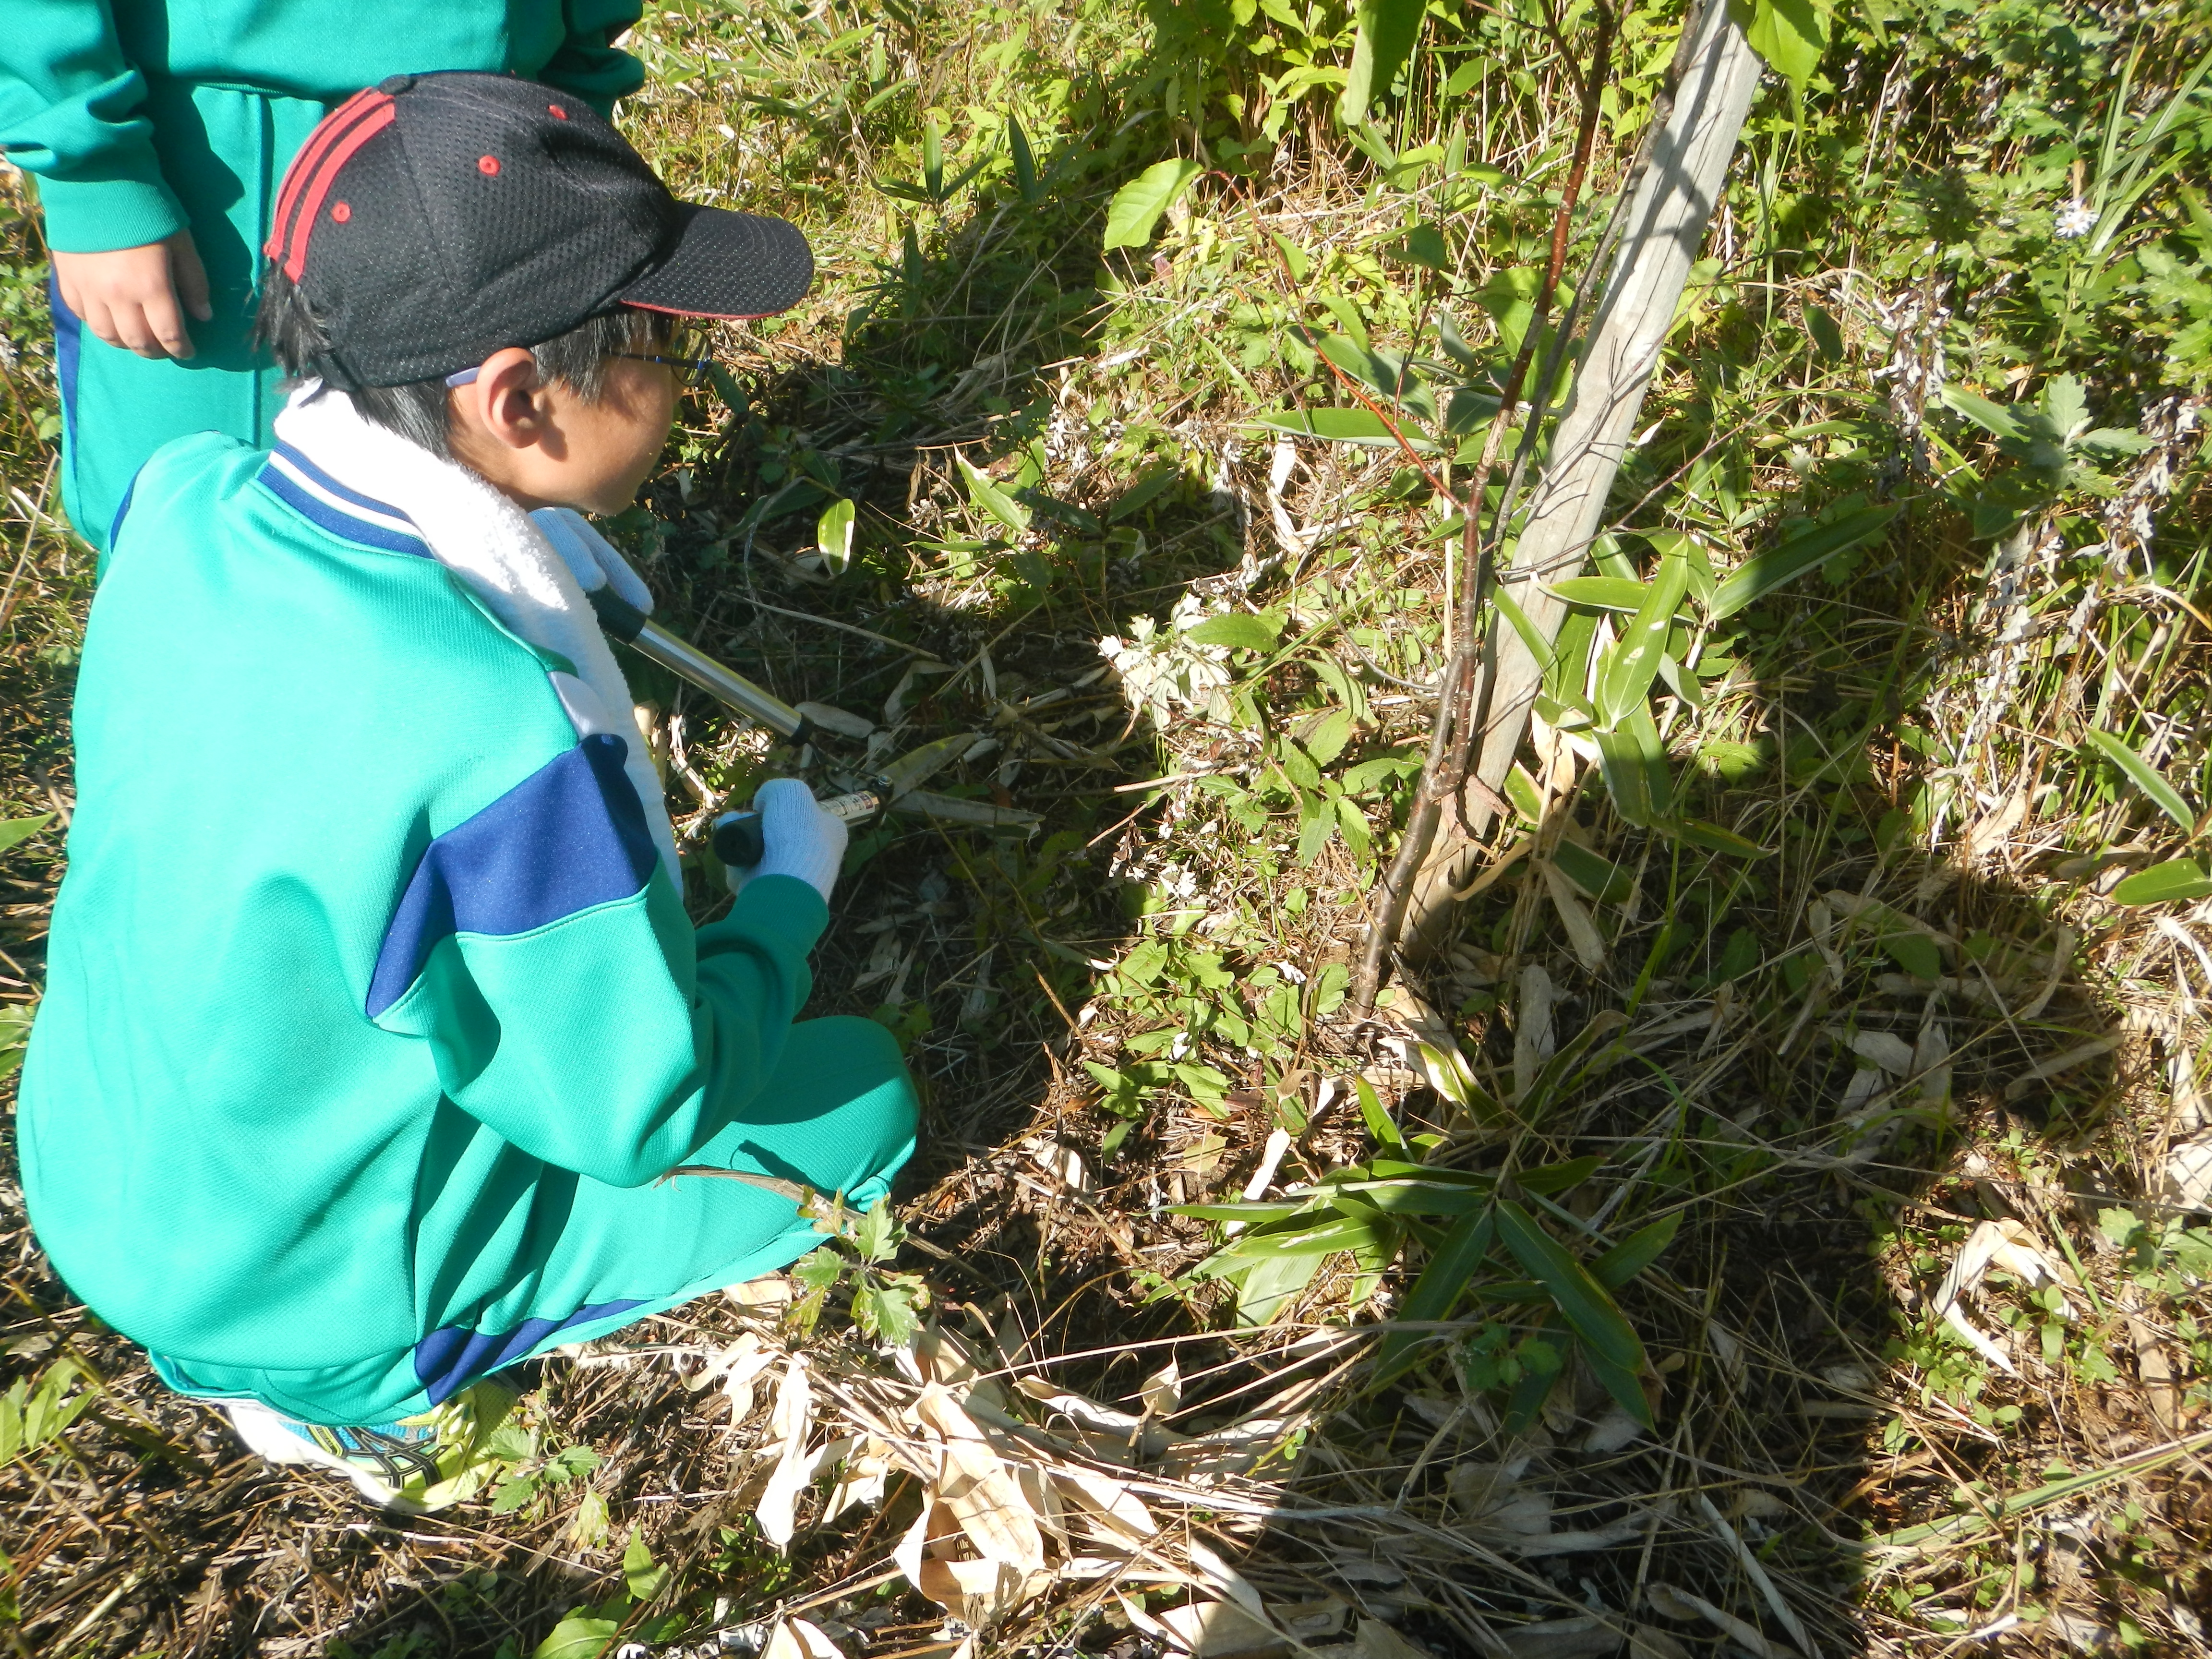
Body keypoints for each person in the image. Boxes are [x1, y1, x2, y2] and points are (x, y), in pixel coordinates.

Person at [17, 72, 919, 1511]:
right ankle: (362, 1391)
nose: (690, 383)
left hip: (101, 1179)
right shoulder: (507, 734)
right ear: (513, 398)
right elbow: (639, 1113)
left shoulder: (182, 500)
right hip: (302, 1289)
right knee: (858, 1103)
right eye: (666, 348)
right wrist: (787, 901)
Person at [0, 1, 645, 555]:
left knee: (474, 536)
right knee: (201, 548)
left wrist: (575, 65)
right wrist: (92, 168)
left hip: (504, 103)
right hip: (231, 152)